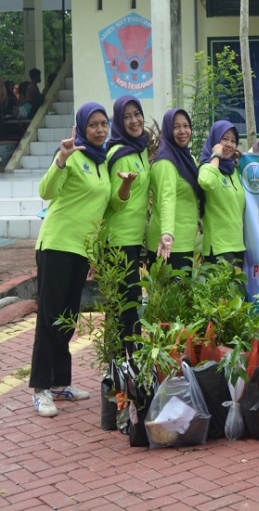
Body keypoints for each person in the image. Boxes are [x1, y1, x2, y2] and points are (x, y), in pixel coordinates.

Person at [30, 102, 111, 418]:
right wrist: (61, 159)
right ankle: (40, 388)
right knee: (49, 317)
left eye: (103, 123)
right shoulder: (73, 156)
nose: (99, 129)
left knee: (68, 317)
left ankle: (60, 382)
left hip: (81, 250)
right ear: (81, 128)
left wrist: (94, 254)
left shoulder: (102, 162)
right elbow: (45, 191)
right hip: (57, 245)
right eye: (93, 124)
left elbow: (98, 211)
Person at [104, 95, 150, 354]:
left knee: (126, 307)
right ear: (119, 122)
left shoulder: (139, 148)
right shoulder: (119, 153)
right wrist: (126, 185)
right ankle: (124, 368)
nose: (134, 120)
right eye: (127, 116)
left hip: (132, 240)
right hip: (118, 241)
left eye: (137, 114)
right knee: (126, 308)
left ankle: (121, 369)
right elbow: (114, 202)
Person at [147, 109, 201, 270]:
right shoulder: (166, 163)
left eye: (186, 126)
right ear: (169, 131)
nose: (182, 131)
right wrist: (167, 233)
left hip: (185, 241)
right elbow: (167, 199)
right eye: (176, 127)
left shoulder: (188, 158)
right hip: (168, 245)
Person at [199, 120, 245, 265]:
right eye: (224, 139)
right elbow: (206, 182)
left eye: (233, 141)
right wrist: (216, 156)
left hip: (238, 245)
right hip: (218, 247)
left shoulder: (234, 172)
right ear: (214, 140)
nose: (229, 144)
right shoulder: (208, 167)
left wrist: (245, 161)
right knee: (235, 288)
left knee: (238, 288)